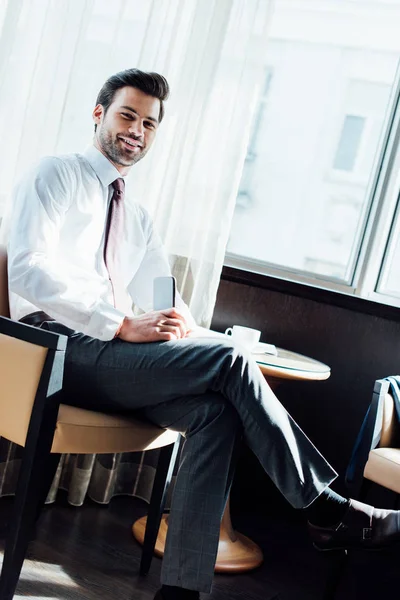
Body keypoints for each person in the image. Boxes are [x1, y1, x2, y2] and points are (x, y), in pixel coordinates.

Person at [5, 68, 400, 600]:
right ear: (98, 114)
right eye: (127, 115)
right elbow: (26, 270)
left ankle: (182, 592)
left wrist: (184, 328)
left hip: (113, 358)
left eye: (148, 123)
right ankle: (327, 508)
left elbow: (164, 295)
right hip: (55, 353)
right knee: (233, 364)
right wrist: (121, 322)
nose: (136, 131)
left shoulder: (137, 215)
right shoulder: (53, 175)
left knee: (215, 414)